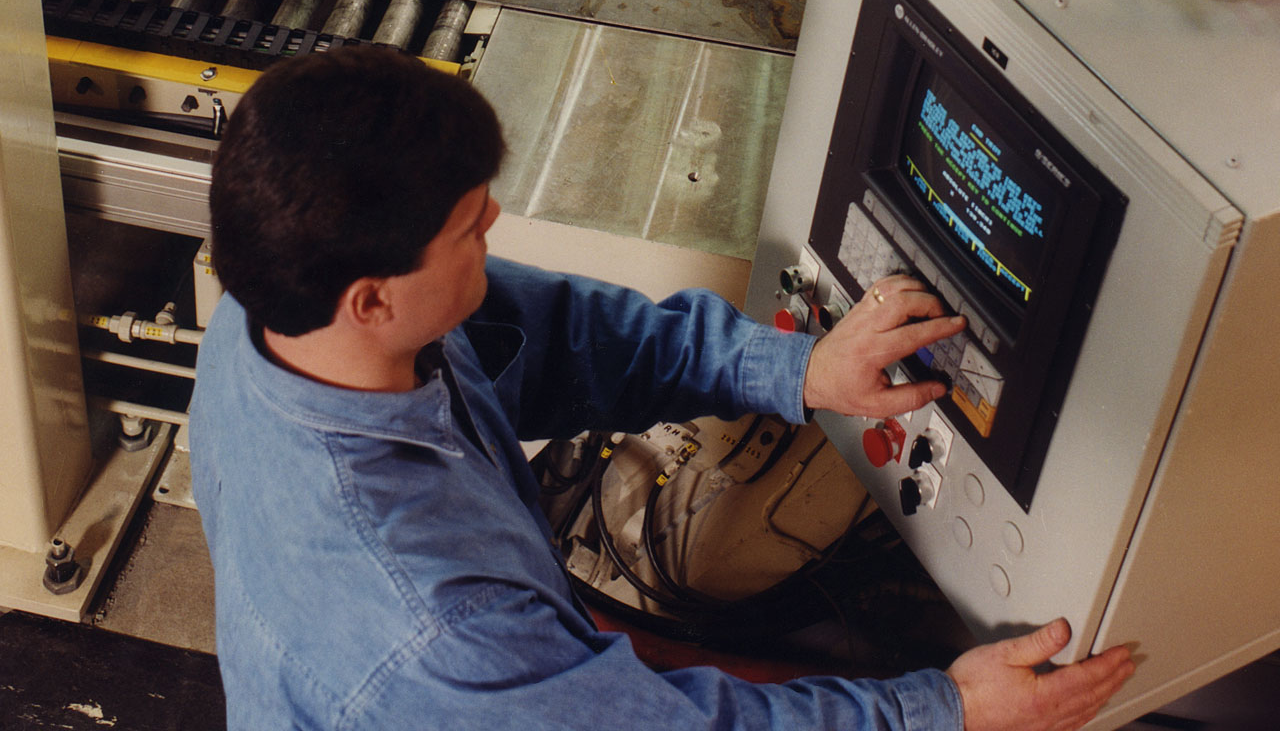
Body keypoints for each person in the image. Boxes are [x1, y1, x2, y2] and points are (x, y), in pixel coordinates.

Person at [190, 45, 1134, 731]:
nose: (498, 224)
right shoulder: (434, 626)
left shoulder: (278, 315)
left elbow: (565, 339)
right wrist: (949, 711)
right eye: (470, 227)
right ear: (372, 298)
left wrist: (796, 368)